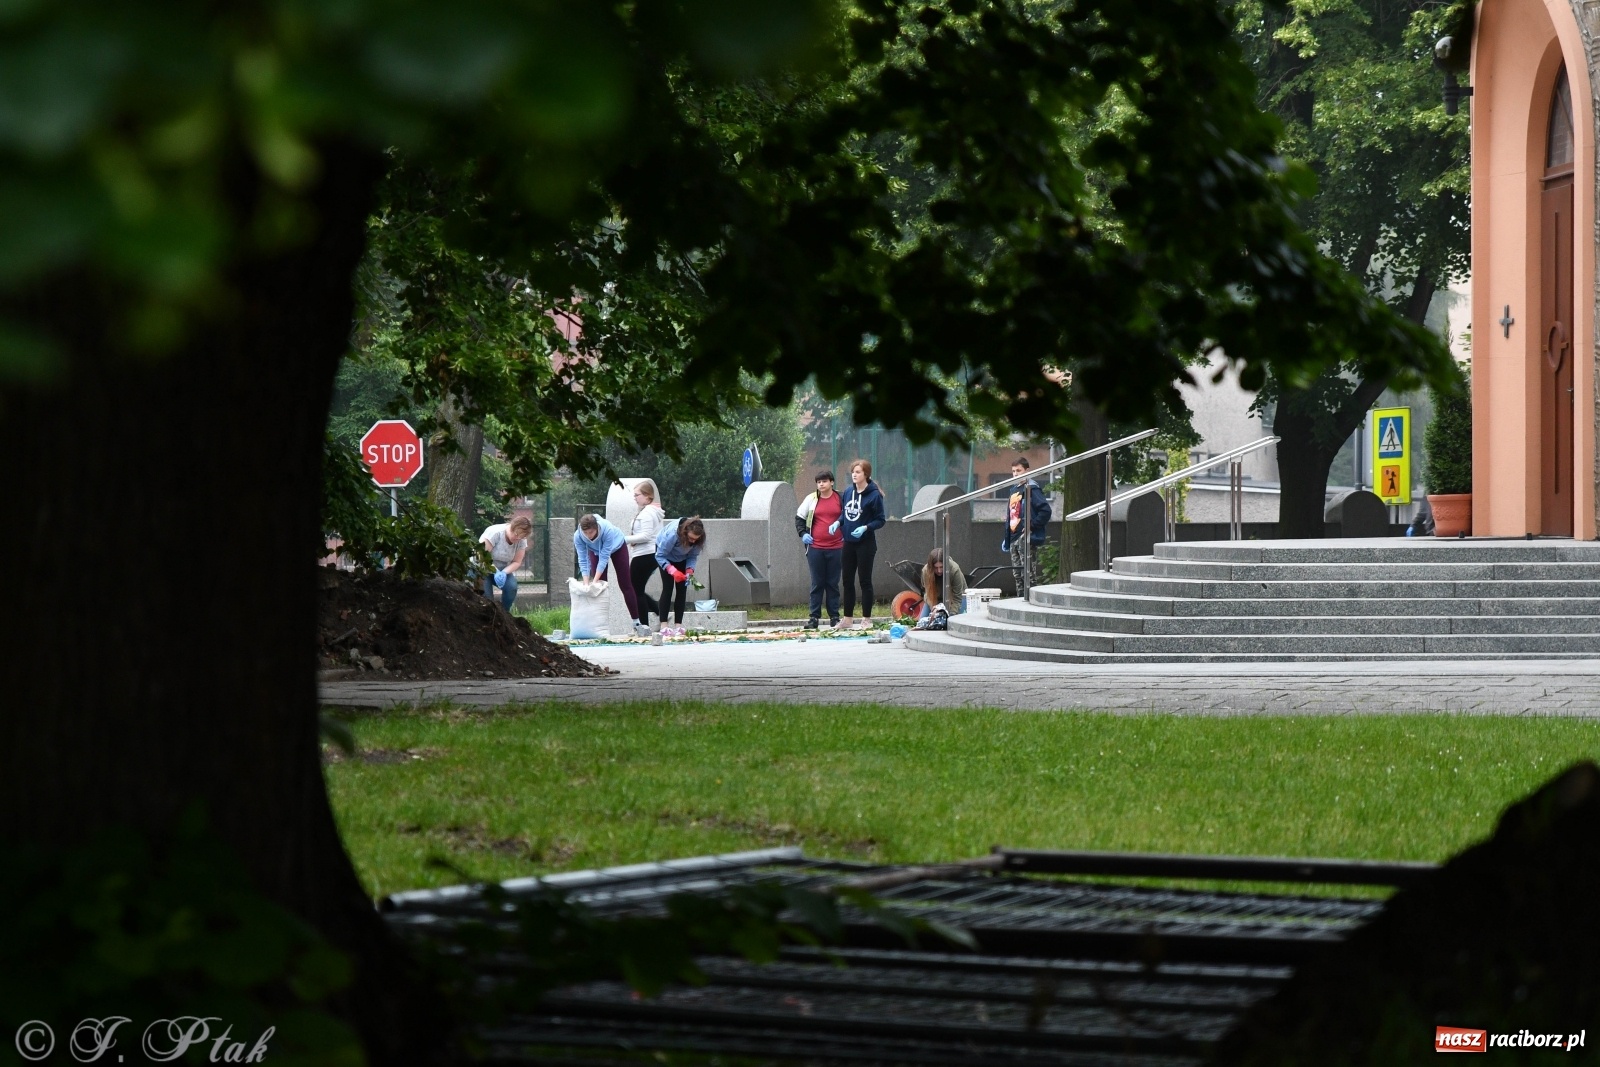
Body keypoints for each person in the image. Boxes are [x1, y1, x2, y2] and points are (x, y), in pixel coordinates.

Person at [839, 459, 887, 627]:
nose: (854, 474)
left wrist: (866, 527)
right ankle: (847, 619)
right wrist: (838, 523)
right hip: (848, 542)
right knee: (847, 581)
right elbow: (844, 513)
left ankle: (866, 618)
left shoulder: (874, 495)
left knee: (864, 581)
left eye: (858, 472)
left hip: (865, 543)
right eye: (853, 472)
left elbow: (881, 520)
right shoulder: (847, 492)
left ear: (866, 474)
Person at [795, 470, 844, 629]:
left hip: (837, 547)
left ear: (832, 482)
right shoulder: (811, 499)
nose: (821, 484)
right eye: (818, 482)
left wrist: (846, 533)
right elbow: (799, 518)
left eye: (824, 481)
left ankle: (834, 617)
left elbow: (849, 517)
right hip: (815, 547)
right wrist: (803, 534)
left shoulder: (840, 498)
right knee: (817, 582)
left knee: (832, 583)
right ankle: (814, 618)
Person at [999, 456, 1052, 595]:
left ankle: (1032, 602)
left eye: (1019, 470)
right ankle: (1019, 601)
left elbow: (1046, 511)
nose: (1015, 474)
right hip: (1013, 536)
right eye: (1013, 471)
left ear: (1027, 471)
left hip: (1025, 537)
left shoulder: (1032, 488)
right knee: (1017, 575)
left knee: (1028, 574)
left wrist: (1031, 526)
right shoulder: (1014, 489)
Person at [574, 513, 641, 622]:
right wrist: (586, 584)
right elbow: (583, 559)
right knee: (599, 586)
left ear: (596, 528)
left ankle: (636, 621)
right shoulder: (578, 536)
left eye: (591, 532)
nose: (588, 536)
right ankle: (600, 623)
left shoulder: (607, 529)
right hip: (595, 551)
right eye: (585, 533)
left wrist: (594, 581)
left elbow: (604, 558)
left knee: (625, 583)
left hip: (617, 546)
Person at [625, 480, 666, 635]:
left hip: (644, 554)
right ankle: (657, 612)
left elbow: (646, 535)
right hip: (646, 553)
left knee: (635, 590)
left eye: (637, 495)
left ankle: (644, 625)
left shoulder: (648, 513)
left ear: (647, 496)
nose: (635, 498)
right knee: (636, 588)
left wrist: (625, 539)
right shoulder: (649, 511)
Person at [654, 515, 705, 636]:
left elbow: (693, 556)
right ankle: (664, 625)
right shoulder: (672, 535)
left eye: (696, 539)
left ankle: (678, 626)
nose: (693, 541)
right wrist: (672, 570)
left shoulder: (698, 539)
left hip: (682, 558)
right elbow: (659, 555)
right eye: (691, 538)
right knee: (668, 588)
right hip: (666, 556)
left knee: (682, 589)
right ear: (685, 533)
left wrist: (689, 570)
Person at [479, 515, 533, 612]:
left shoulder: (521, 540)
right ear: (511, 527)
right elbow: (482, 558)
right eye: (516, 534)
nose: (517, 538)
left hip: (502, 569)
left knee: (512, 588)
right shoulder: (495, 533)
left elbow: (517, 561)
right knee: (487, 600)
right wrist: (495, 571)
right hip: (482, 569)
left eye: (521, 537)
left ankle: (504, 614)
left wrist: (504, 572)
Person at [920, 547, 966, 618]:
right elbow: (928, 594)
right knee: (923, 621)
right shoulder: (926, 571)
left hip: (956, 599)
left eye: (941, 567)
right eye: (936, 568)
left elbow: (957, 598)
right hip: (934, 598)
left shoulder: (954, 570)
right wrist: (934, 609)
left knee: (953, 621)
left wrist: (950, 615)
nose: (939, 571)